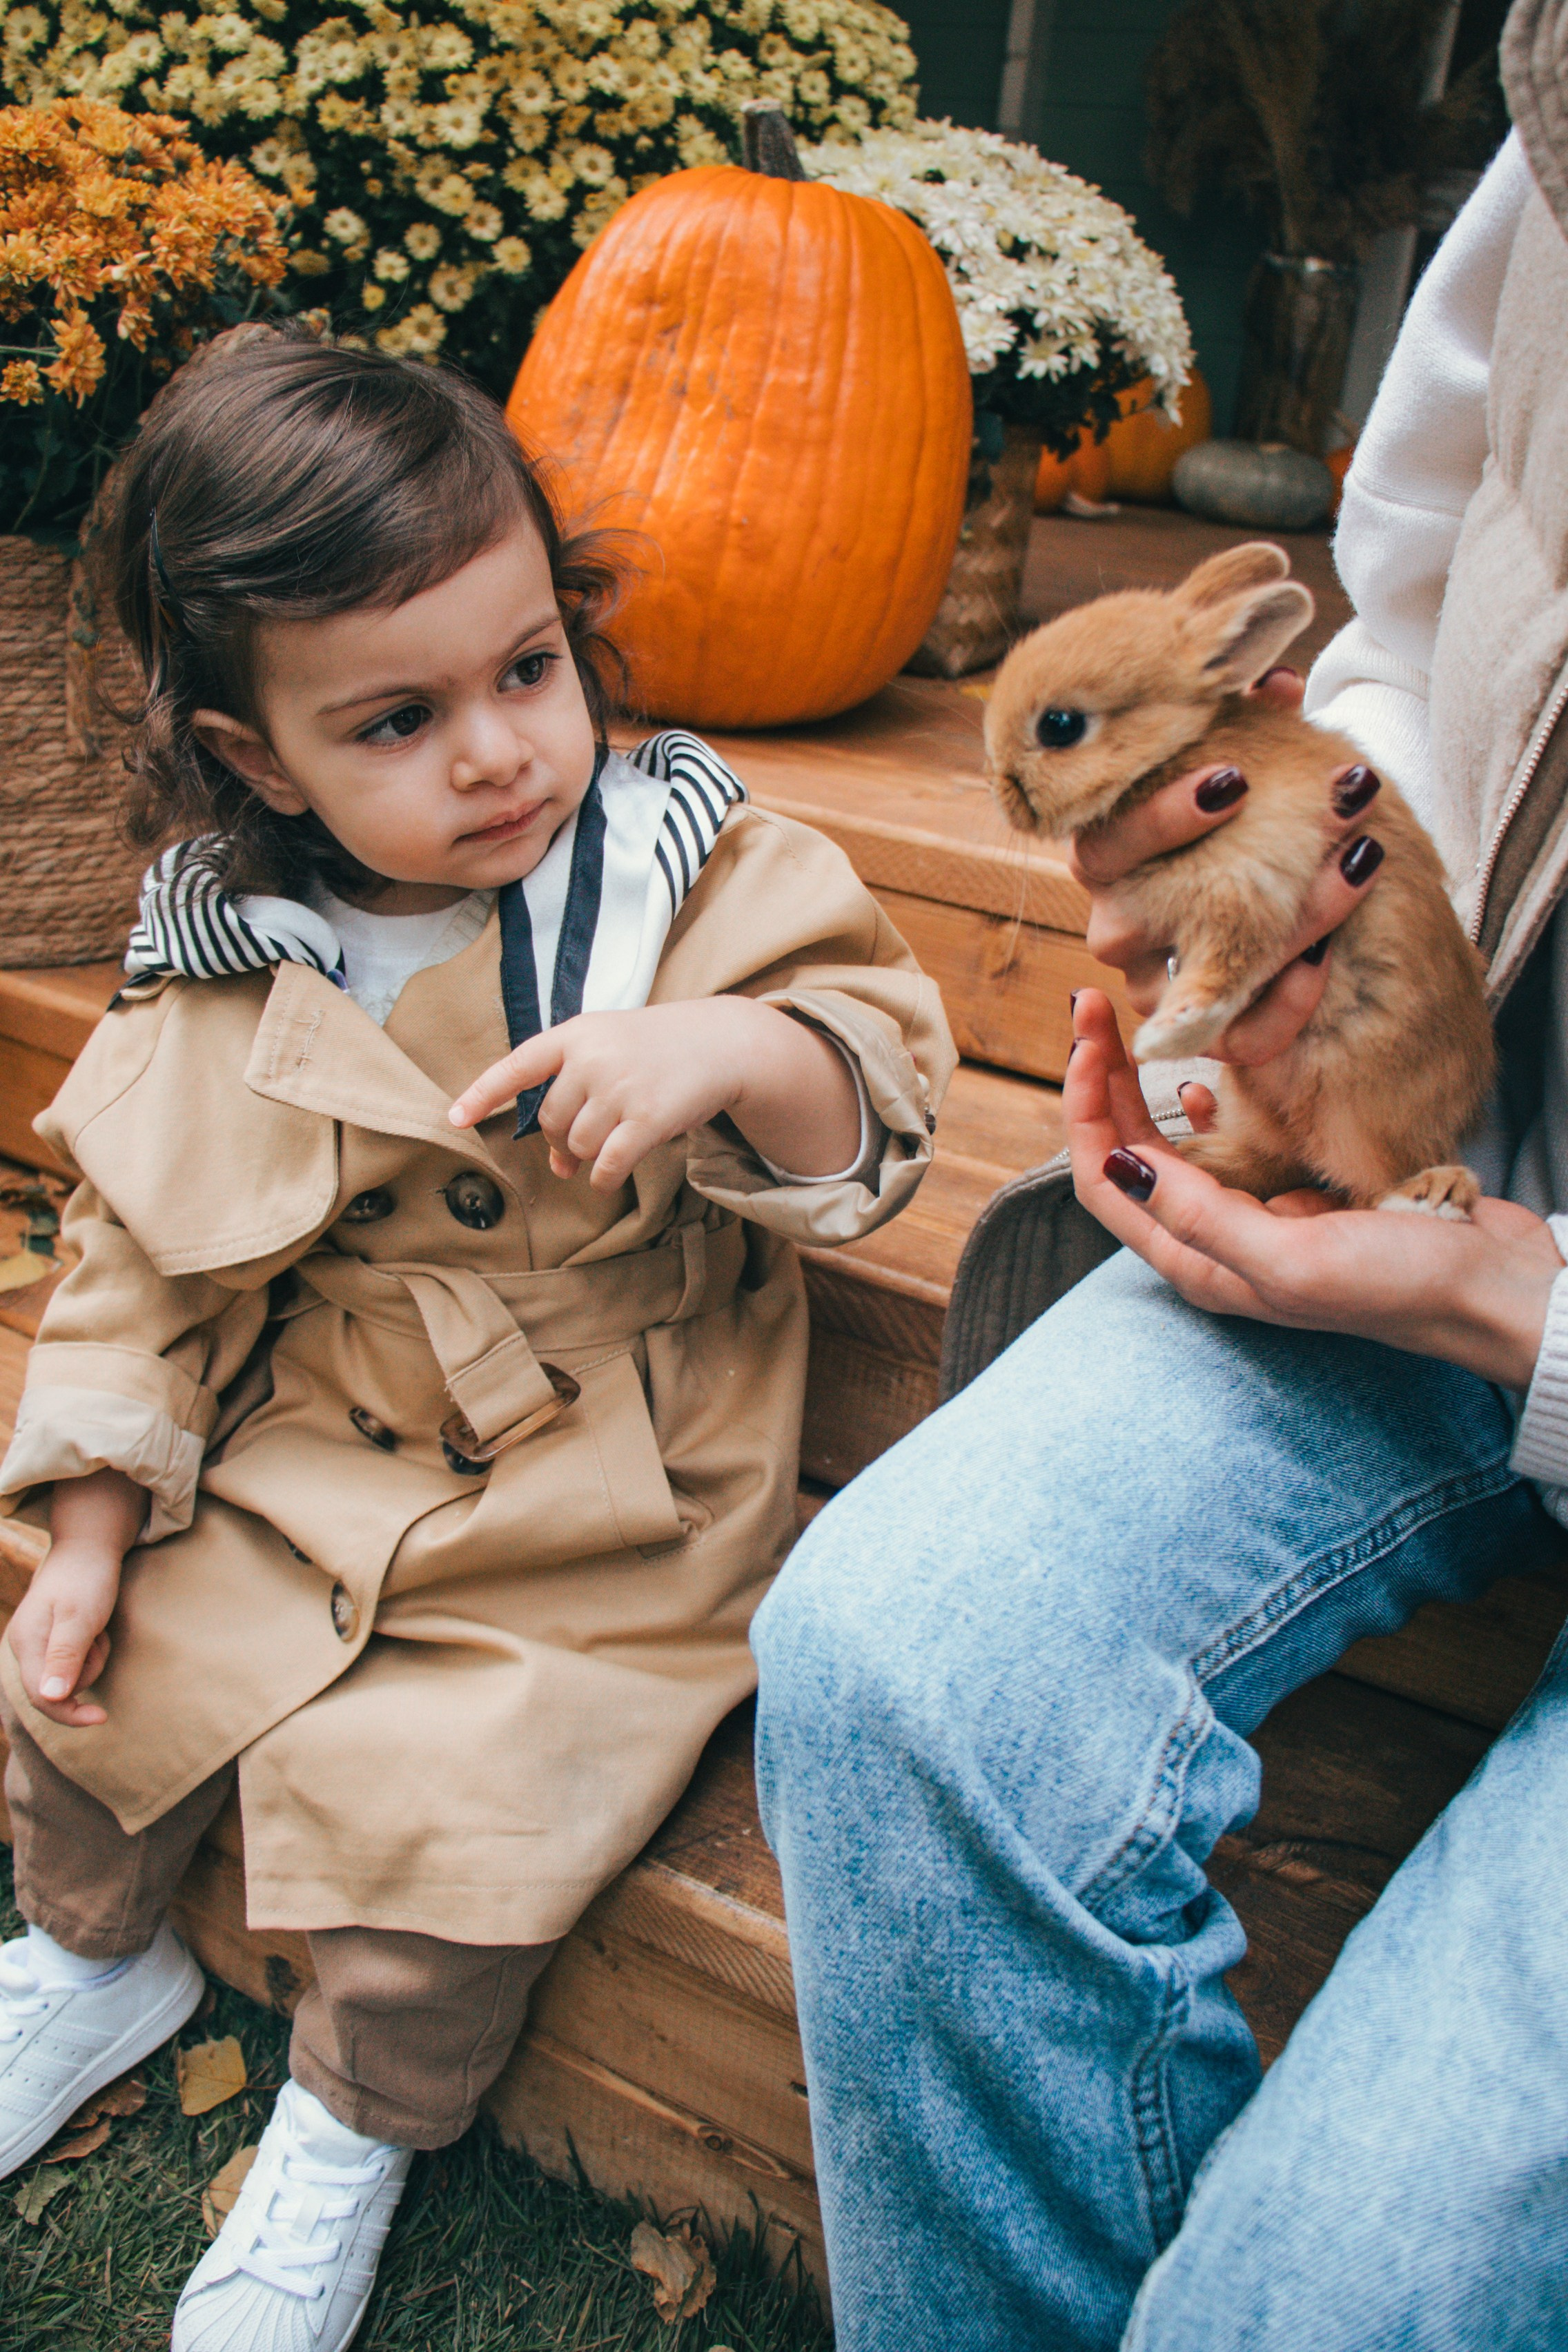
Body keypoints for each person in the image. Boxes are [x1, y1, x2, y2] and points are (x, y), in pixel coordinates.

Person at [0, 326, 952, 2352]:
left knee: (459, 1808)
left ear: (573, 627)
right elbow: (142, 1262)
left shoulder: (690, 874)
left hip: (600, 1480)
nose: (501, 751)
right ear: (263, 763)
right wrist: (87, 1528)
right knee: (100, 1682)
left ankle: (353, 2125)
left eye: (530, 670)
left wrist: (737, 1049)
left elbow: (877, 1093)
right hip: (311, 1437)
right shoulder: (235, 945)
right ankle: (93, 1959)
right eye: (400, 720)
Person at [752, 3, 1568, 2344]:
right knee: (895, 1653)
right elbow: (1424, 554)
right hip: (1450, 1190)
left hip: (1499, 1280)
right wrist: (1331, 896)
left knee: (1338, 2290)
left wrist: (1525, 1313)